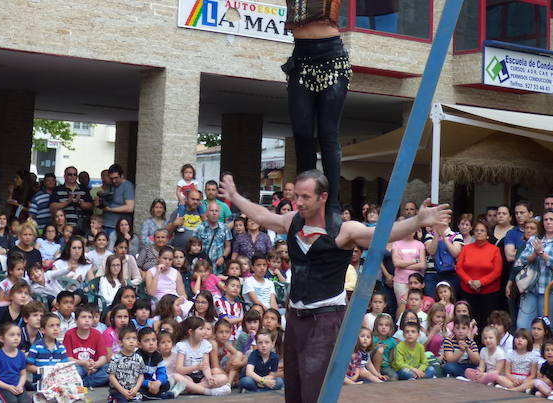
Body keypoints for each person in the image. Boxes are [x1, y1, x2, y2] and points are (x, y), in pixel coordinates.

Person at [237, 0, 447, 209]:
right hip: (301, 60)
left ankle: (332, 203)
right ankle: (306, 199)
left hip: (331, 58)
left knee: (326, 132)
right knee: (301, 132)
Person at [219, 169, 449, 402]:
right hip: (297, 318)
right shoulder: (293, 221)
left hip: (326, 320)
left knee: (315, 391)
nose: (299, 202)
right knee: (295, 389)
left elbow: (381, 234)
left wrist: (417, 220)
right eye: (297, 196)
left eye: (306, 197)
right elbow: (264, 216)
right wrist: (235, 197)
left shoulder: (344, 229)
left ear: (323, 197)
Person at [514, 208, 553, 331]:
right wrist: (535, 254)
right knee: (523, 325)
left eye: (551, 219)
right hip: (531, 288)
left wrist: (542, 254)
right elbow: (521, 260)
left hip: (551, 290)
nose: (548, 222)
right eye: (545, 219)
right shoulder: (534, 239)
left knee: (549, 328)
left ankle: (548, 350)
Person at [455, 220, 502, 327]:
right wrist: (470, 282)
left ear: (487, 234)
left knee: (487, 322)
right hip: (468, 291)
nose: (479, 233)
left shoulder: (494, 250)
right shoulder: (466, 248)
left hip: (489, 293)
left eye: (482, 231)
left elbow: (497, 271)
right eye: (476, 230)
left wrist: (480, 282)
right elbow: (459, 268)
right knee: (469, 321)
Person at [0, 323, 31, 403]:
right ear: (2, 339)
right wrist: (8, 387)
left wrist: (20, 385)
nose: (16, 338)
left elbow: (23, 374)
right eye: (12, 335)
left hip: (17, 387)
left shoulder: (21, 355)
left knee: (26, 401)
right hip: (2, 388)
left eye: (18, 335)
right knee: (12, 401)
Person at [107, 326, 145, 402]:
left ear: (137, 342)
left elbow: (141, 375)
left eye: (134, 338)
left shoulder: (139, 358)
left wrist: (136, 388)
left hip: (133, 390)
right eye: (128, 338)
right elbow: (111, 376)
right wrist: (122, 391)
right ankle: (112, 398)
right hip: (118, 391)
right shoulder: (115, 358)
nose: (131, 341)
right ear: (120, 342)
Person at [194, 202, 231, 272]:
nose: (214, 213)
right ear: (207, 213)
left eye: (216, 211)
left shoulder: (225, 228)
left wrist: (223, 257)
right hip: (203, 268)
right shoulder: (200, 228)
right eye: (211, 211)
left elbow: (228, 246)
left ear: (219, 213)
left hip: (219, 267)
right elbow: (194, 247)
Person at [101, 164, 135, 235]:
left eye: (116, 178)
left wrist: (110, 209)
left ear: (122, 175)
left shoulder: (127, 186)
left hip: (117, 226)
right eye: (111, 178)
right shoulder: (111, 185)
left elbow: (130, 207)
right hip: (105, 223)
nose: (113, 181)